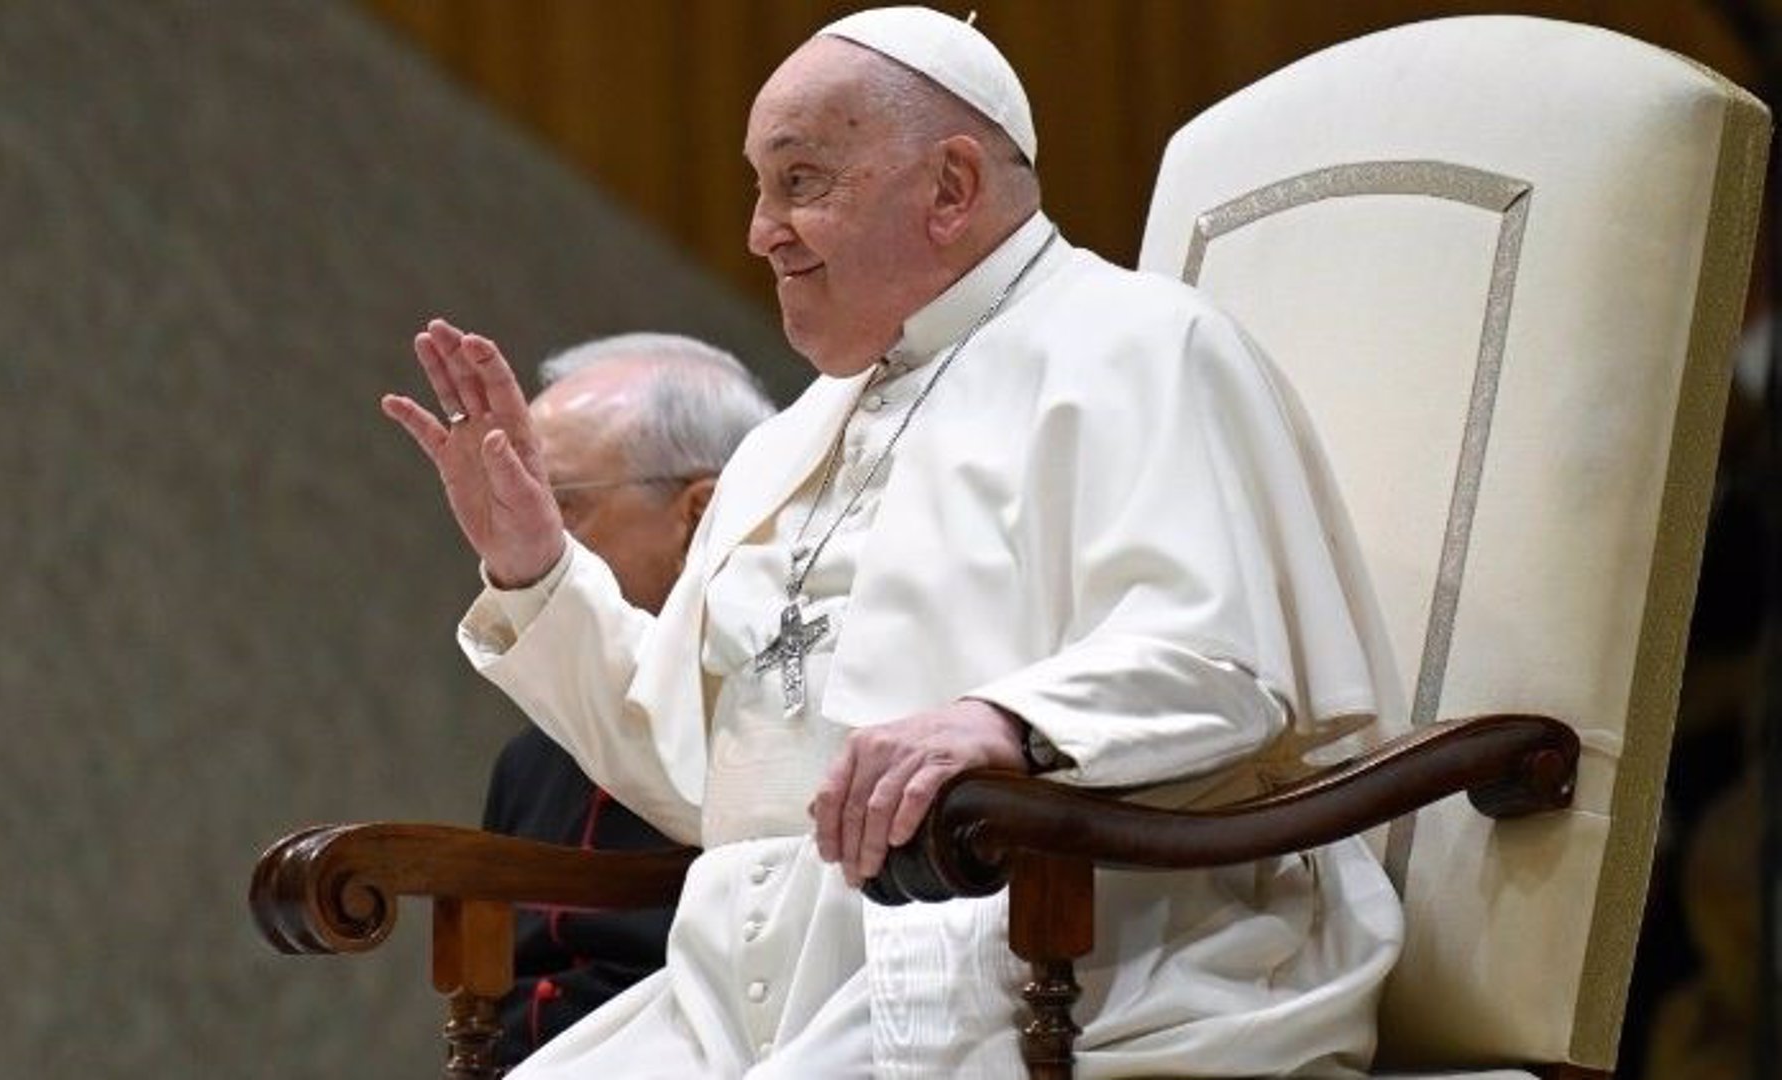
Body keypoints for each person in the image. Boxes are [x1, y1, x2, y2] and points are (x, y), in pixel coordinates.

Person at [381, 6, 1405, 1076]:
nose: (759, 229)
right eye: (758, 186)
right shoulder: (788, 443)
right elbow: (690, 771)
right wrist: (538, 570)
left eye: (801, 180)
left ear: (951, 189)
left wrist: (1004, 722)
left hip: (1053, 963)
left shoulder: (1143, 350)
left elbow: (1227, 670)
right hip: (742, 997)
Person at [473, 334, 777, 1067]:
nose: (520, 533)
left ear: (698, 514)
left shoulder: (773, 722)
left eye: (558, 503)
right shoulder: (529, 759)